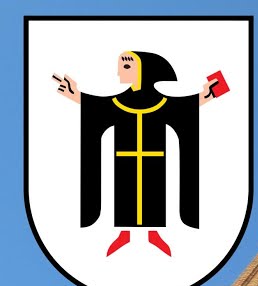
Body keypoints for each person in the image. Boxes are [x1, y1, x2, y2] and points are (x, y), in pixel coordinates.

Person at [54, 51, 222, 256]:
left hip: (154, 158)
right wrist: (74, 94)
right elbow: (99, 106)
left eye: (126, 67)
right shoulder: (119, 102)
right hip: (124, 158)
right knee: (124, 194)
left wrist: (213, 88)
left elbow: (186, 106)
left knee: (155, 195)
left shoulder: (162, 103)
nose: (118, 72)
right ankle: (124, 233)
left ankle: (154, 233)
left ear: (144, 71)